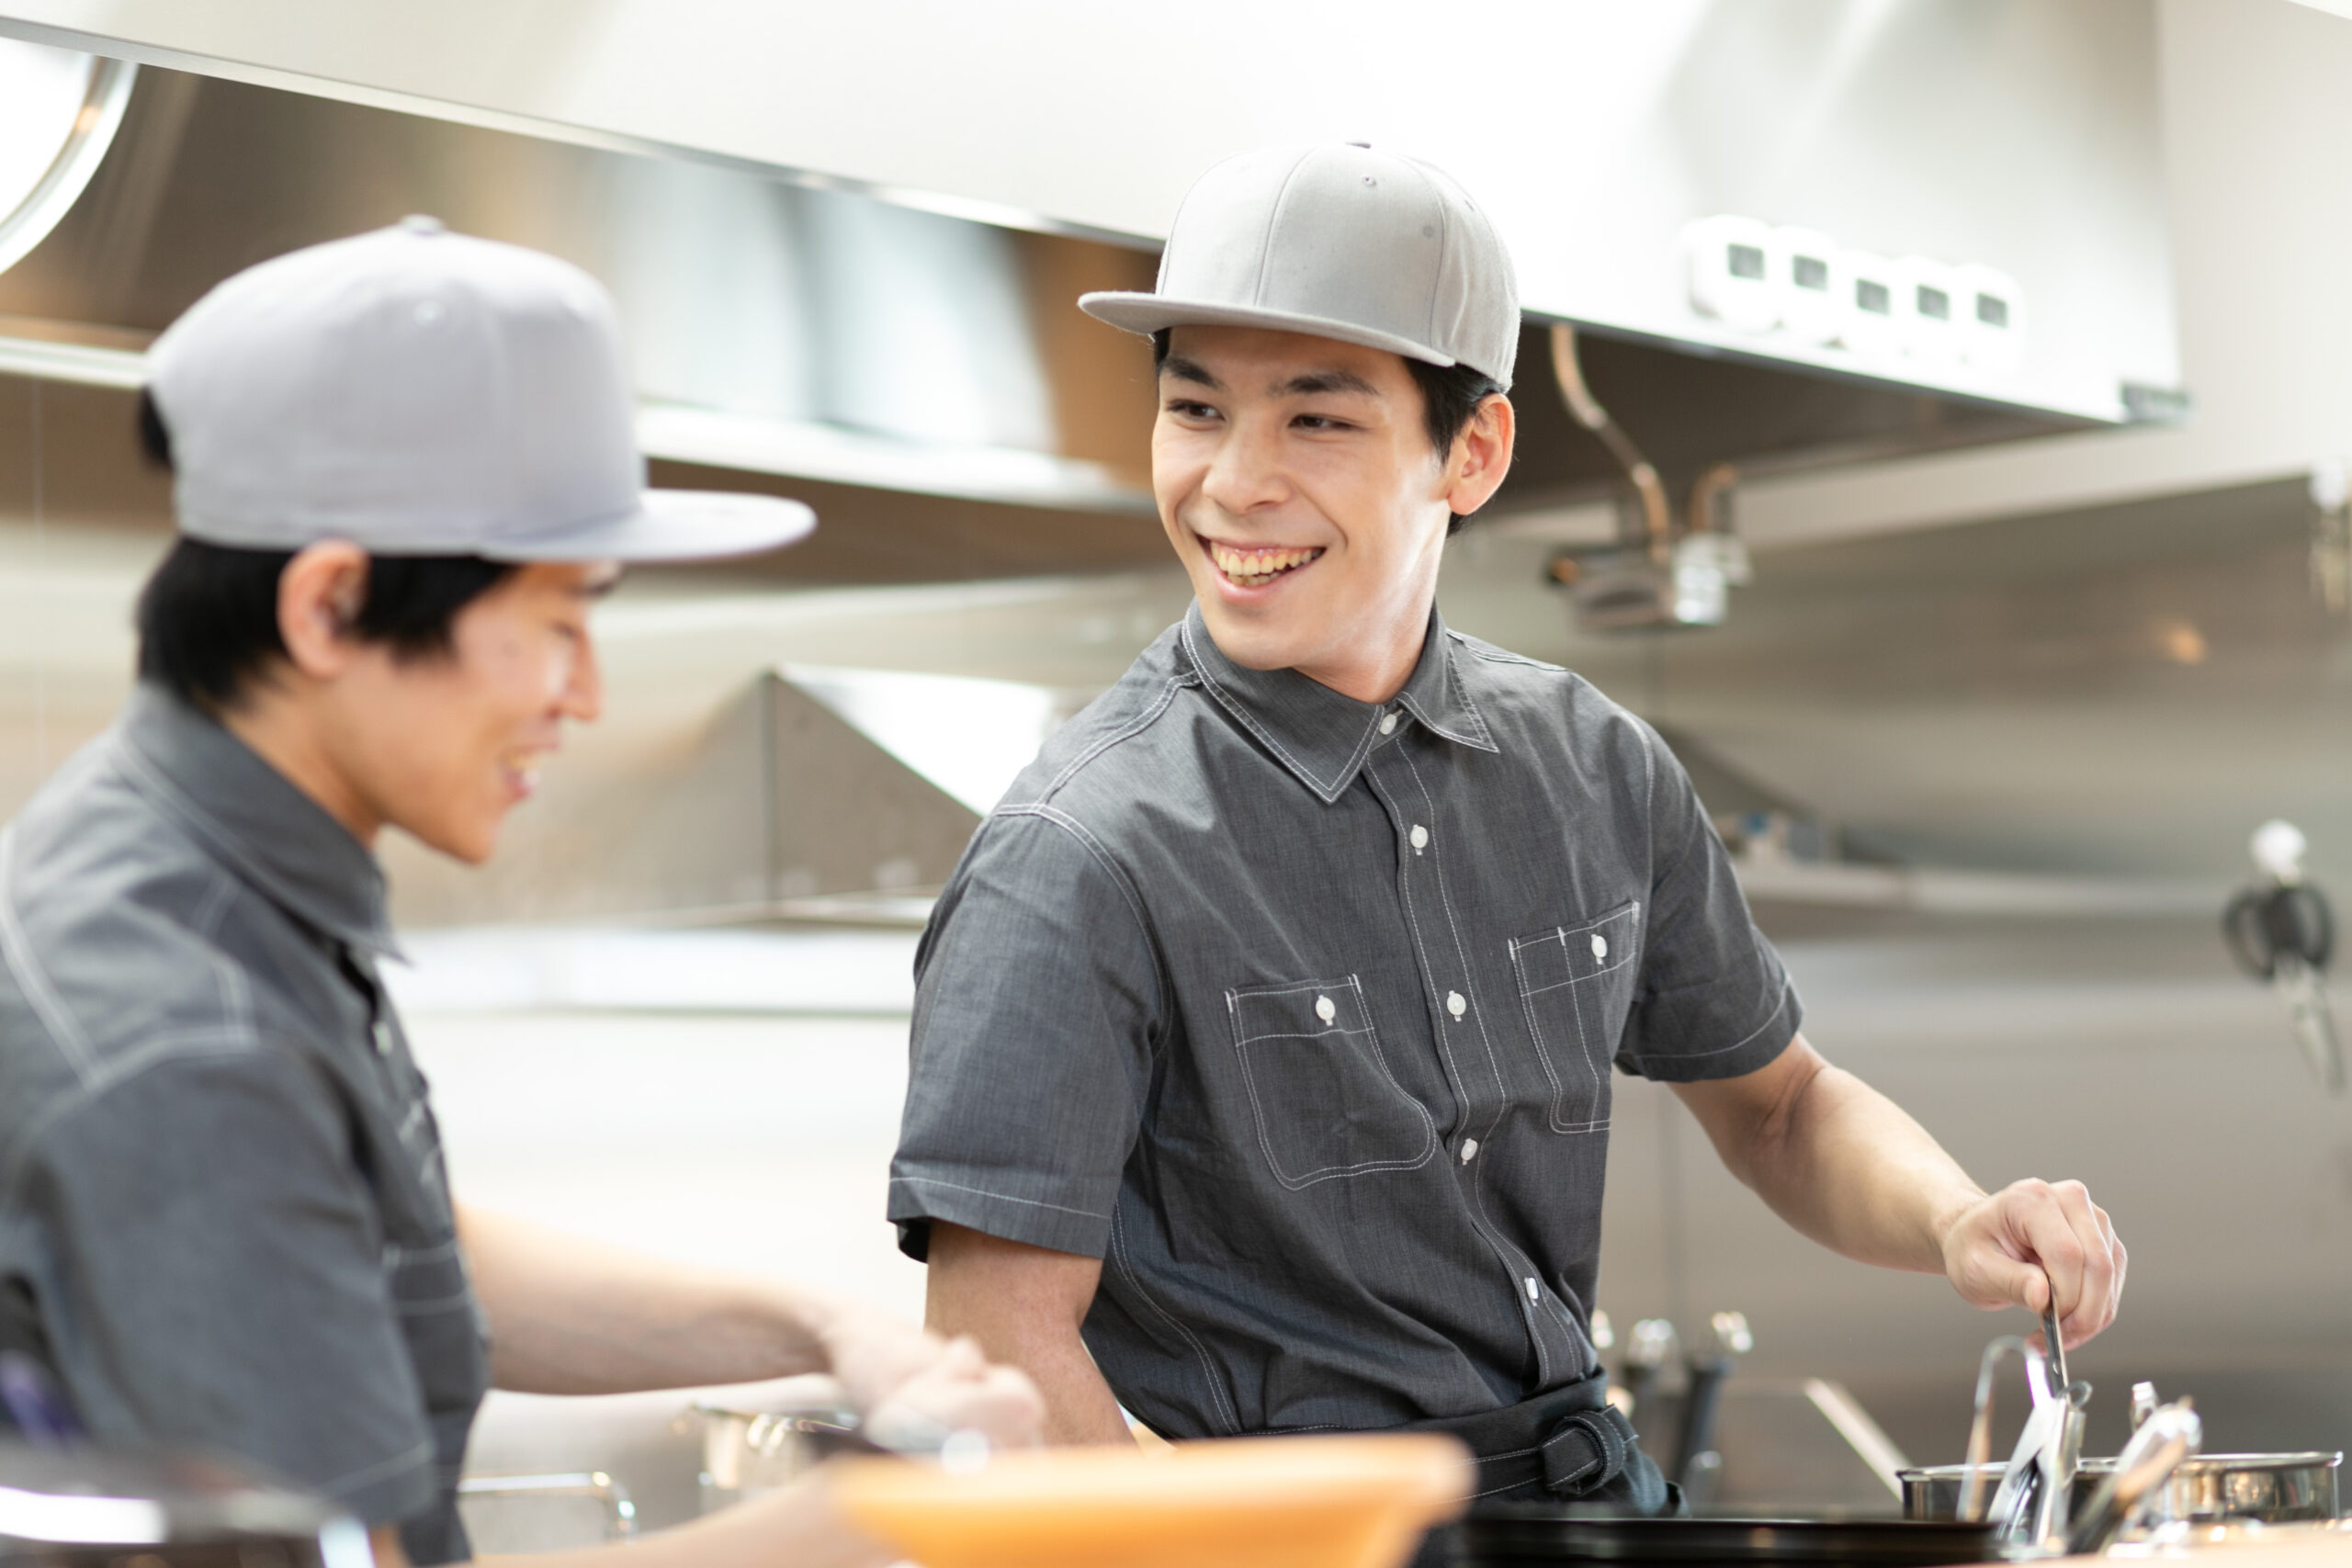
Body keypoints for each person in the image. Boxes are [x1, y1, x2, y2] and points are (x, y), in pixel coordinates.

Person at [888, 144, 2125, 1516]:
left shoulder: (1592, 767)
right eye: (1196, 411)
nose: (1234, 484)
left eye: (1317, 421)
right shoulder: (1078, 857)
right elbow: (997, 1342)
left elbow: (1779, 1107)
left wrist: (1956, 1219)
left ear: (1469, 453)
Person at [0, 220, 1039, 1568]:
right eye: (556, 619)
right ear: (328, 608)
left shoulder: (184, 853)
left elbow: (379, 1236)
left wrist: (823, 1327)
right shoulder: (184, 1042)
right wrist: (870, 1527)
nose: (586, 694)